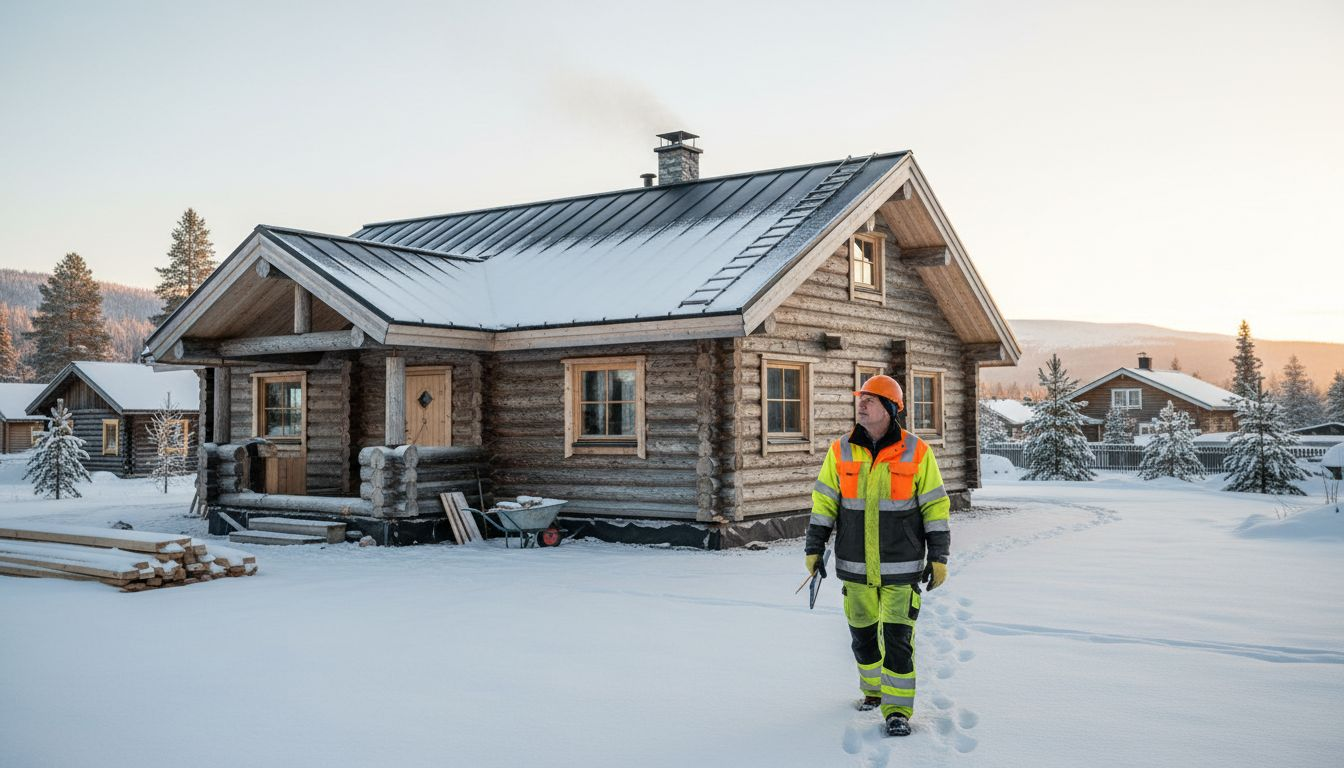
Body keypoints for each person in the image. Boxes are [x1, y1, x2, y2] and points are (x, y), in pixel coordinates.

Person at [804, 374, 951, 737]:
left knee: (899, 639)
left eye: (869, 399)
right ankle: (872, 692)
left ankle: (897, 710)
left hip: (902, 567)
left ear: (889, 408)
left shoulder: (917, 452)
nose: (861, 404)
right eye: (861, 398)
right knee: (863, 637)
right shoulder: (840, 450)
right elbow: (824, 503)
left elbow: (935, 506)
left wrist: (939, 556)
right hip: (854, 567)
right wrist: (813, 548)